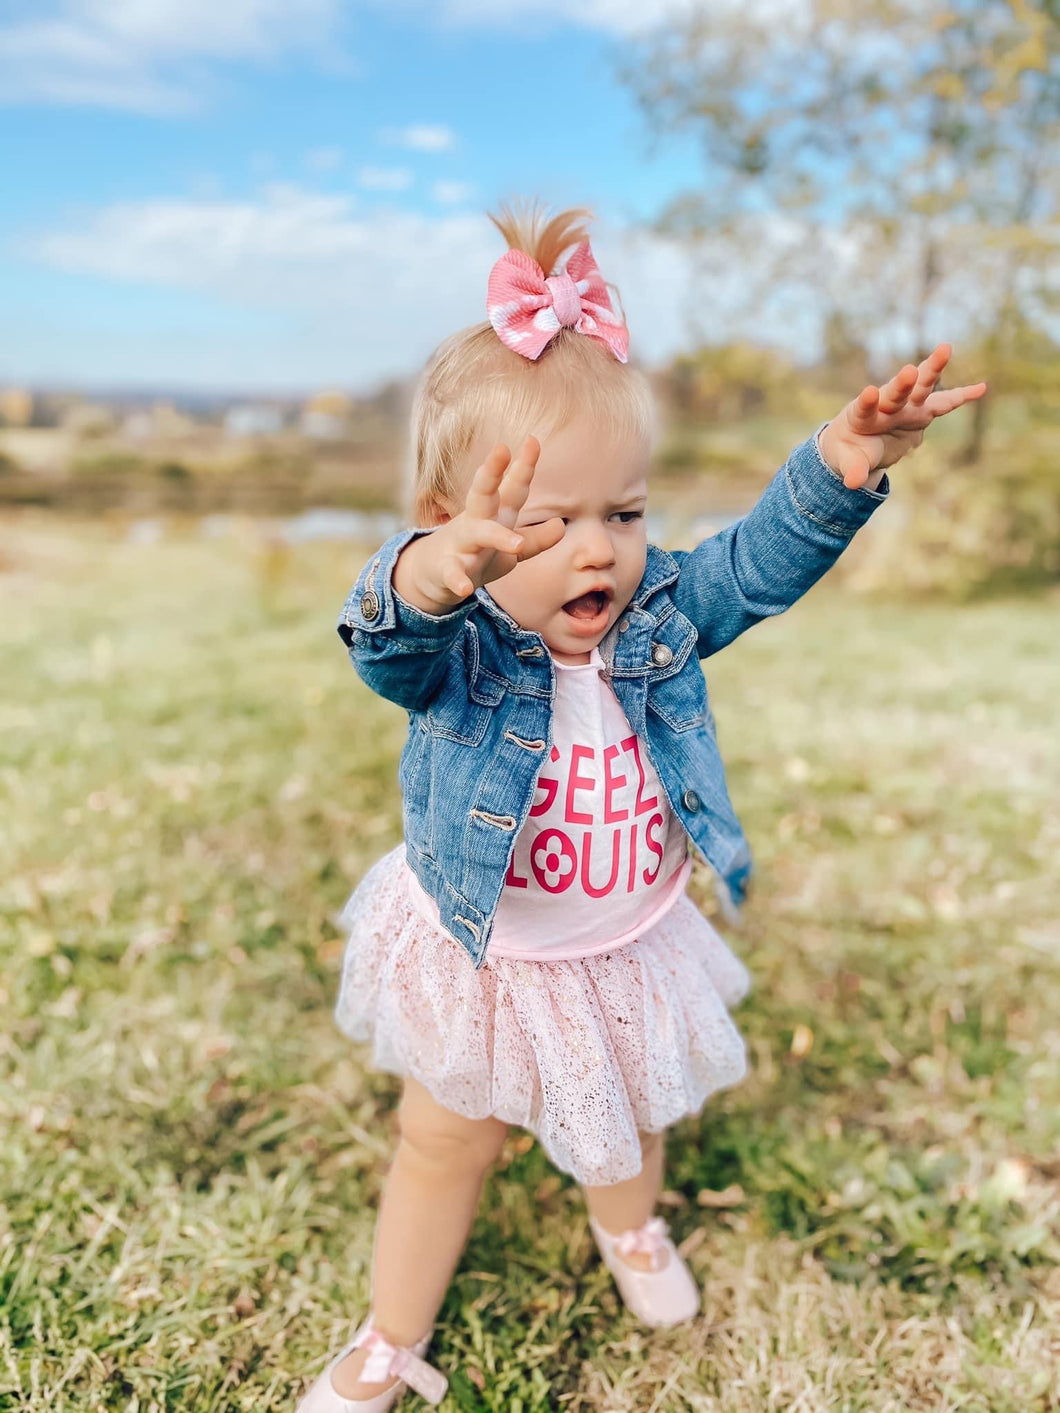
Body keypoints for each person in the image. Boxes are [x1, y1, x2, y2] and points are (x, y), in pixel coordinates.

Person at [295, 199, 987, 1411]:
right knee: (442, 1140)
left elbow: (750, 566)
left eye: (622, 513)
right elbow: (383, 646)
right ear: (458, 531)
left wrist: (841, 460)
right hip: (489, 954)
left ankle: (629, 1228)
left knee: (627, 1109)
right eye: (539, 524)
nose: (598, 553)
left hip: (621, 942)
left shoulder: (661, 612)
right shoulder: (454, 644)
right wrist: (424, 579)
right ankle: (392, 1337)